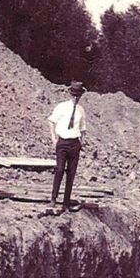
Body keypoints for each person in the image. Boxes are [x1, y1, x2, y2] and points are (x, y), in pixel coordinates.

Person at [48, 81, 87, 212]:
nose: (76, 98)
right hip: (62, 142)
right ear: (70, 94)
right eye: (74, 95)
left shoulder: (81, 110)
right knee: (59, 170)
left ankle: (66, 202)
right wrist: (54, 138)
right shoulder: (62, 107)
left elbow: (83, 128)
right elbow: (51, 121)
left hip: (74, 143)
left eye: (78, 96)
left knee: (71, 173)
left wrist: (82, 141)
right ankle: (53, 199)